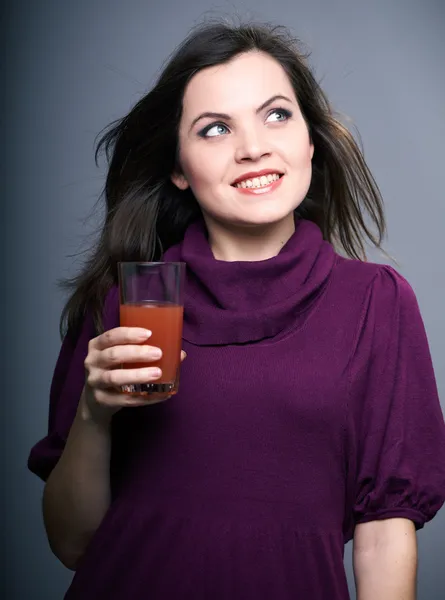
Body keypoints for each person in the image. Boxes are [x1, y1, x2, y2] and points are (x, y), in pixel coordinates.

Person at [28, 20, 445, 600]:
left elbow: (384, 535)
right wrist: (93, 417)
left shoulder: (377, 302)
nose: (253, 147)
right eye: (215, 128)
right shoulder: (128, 302)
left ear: (309, 140)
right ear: (178, 167)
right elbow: (73, 544)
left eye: (276, 115)